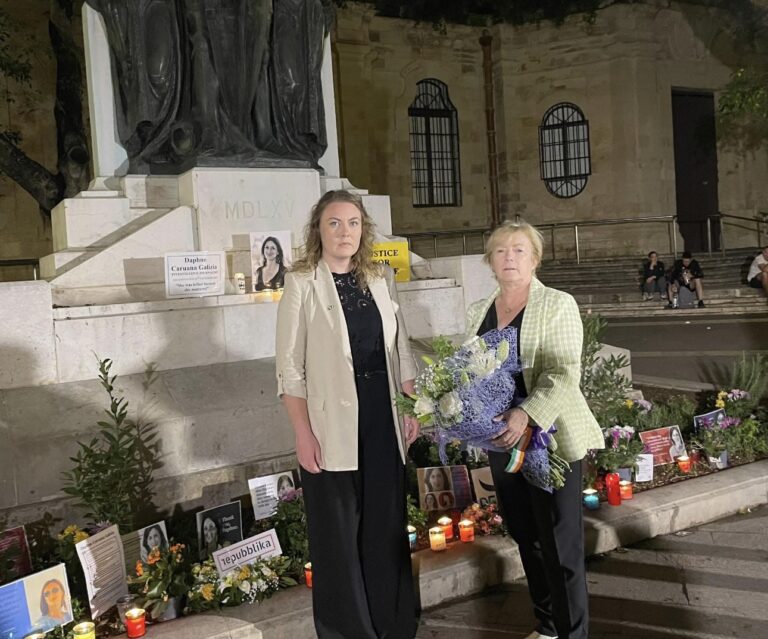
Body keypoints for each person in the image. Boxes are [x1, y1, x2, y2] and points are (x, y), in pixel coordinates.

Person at [275, 190, 420, 639]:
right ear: (318, 230)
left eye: (353, 222)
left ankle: (393, 625)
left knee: (385, 527)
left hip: (382, 414)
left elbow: (401, 348)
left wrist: (410, 405)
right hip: (328, 424)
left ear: (364, 229)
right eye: (334, 223)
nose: (345, 232)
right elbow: (289, 368)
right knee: (338, 534)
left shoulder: (380, 276)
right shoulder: (302, 281)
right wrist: (303, 433)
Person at [464, 219, 604, 639]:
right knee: (527, 537)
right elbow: (470, 373)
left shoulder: (557, 304)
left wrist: (527, 413)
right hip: (501, 442)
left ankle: (572, 634)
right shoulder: (478, 311)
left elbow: (564, 372)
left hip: (549, 439)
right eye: (501, 251)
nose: (509, 257)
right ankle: (547, 627)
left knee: (561, 546)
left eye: (519, 250)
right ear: (490, 260)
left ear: (535, 258)